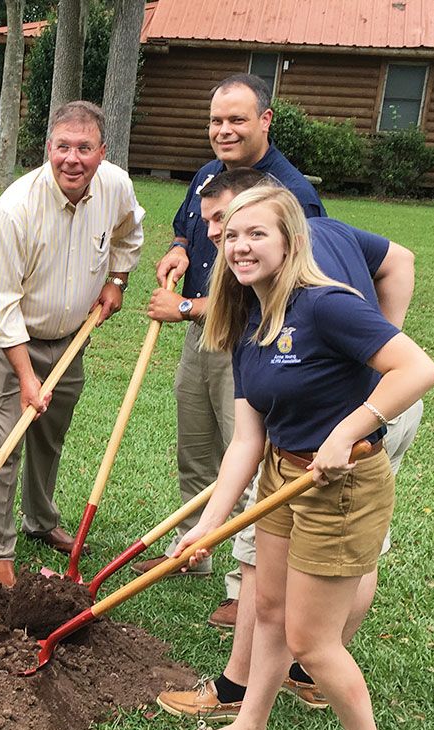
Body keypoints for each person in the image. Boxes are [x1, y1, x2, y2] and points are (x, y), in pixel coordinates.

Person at [167, 185, 434, 730]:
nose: (240, 247)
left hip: (340, 486)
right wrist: (206, 529)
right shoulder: (244, 319)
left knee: (312, 641)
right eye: (232, 235)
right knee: (265, 607)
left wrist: (348, 430)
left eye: (256, 234)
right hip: (283, 475)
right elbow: (245, 441)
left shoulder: (325, 307)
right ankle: (248, 727)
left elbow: (417, 369)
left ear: (290, 239)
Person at [137, 74, 325, 588]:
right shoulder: (210, 175)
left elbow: (285, 285)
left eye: (237, 119)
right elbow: (188, 225)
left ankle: (245, 590)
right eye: (217, 120)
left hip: (254, 341)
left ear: (266, 120)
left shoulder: (289, 194)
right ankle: (194, 550)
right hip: (204, 335)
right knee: (196, 449)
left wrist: (188, 307)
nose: (224, 130)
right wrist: (179, 247)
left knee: (246, 455)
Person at [0, 100, 145, 587]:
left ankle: (41, 520)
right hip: (8, 337)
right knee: (8, 438)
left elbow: (130, 234)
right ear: (48, 149)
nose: (73, 158)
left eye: (84, 148)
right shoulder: (15, 210)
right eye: (63, 147)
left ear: (102, 152)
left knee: (50, 433)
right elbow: (2, 307)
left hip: (71, 336)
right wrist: (27, 377)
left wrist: (117, 279)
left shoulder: (115, 187)